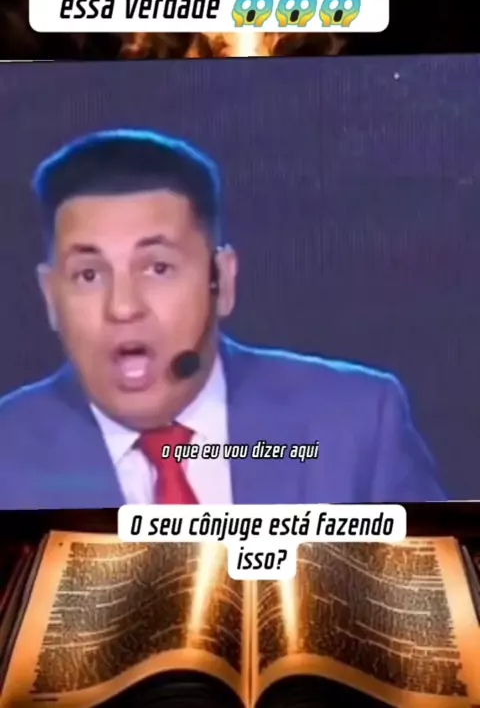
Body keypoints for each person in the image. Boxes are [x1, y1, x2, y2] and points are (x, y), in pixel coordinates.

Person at [0, 129, 445, 508]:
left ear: (222, 281)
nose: (123, 307)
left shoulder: (358, 423)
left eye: (158, 268)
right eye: (89, 274)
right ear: (50, 297)